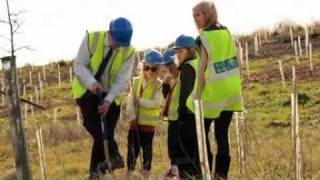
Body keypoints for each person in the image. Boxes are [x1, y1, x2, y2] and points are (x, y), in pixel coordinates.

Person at [72, 17, 136, 179]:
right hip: (87, 91)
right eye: (117, 42)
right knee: (94, 126)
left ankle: (96, 173)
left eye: (123, 44)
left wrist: (108, 100)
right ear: (109, 33)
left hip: (112, 95)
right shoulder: (91, 39)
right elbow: (79, 64)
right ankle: (114, 156)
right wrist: (92, 83)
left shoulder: (129, 51)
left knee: (104, 133)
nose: (119, 46)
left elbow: (123, 79)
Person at [189, 1, 243, 179]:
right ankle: (221, 174)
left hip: (213, 93)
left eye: (199, 15)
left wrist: (197, 94)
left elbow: (202, 68)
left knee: (200, 133)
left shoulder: (206, 36)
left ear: (208, 15)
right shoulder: (227, 32)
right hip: (231, 91)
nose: (196, 19)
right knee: (222, 134)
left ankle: (204, 169)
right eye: (194, 16)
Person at [126, 50, 164, 178]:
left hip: (148, 124)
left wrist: (140, 101)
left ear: (158, 69)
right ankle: (130, 172)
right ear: (143, 67)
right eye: (147, 68)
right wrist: (132, 117)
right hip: (134, 123)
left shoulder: (159, 85)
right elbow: (130, 102)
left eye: (153, 69)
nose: (149, 72)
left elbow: (156, 103)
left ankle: (146, 173)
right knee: (132, 149)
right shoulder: (136, 81)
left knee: (146, 150)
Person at [171, 35, 202, 179]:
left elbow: (185, 94)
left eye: (180, 51)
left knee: (185, 156)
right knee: (197, 154)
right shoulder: (199, 63)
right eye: (176, 52)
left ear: (190, 50)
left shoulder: (188, 67)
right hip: (198, 115)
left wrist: (181, 116)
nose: (177, 55)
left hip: (187, 116)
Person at [161, 49, 181, 179]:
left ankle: (177, 170)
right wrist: (165, 85)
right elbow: (165, 96)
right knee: (172, 143)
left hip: (182, 116)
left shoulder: (183, 76)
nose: (169, 68)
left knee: (179, 144)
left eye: (170, 65)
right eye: (167, 65)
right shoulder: (170, 79)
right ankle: (173, 168)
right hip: (172, 117)